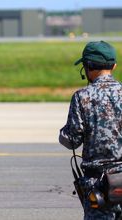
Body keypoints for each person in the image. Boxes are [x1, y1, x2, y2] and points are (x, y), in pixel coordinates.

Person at [59, 41, 122, 219]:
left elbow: (71, 139)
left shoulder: (82, 97)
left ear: (88, 66)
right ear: (114, 66)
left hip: (98, 183)